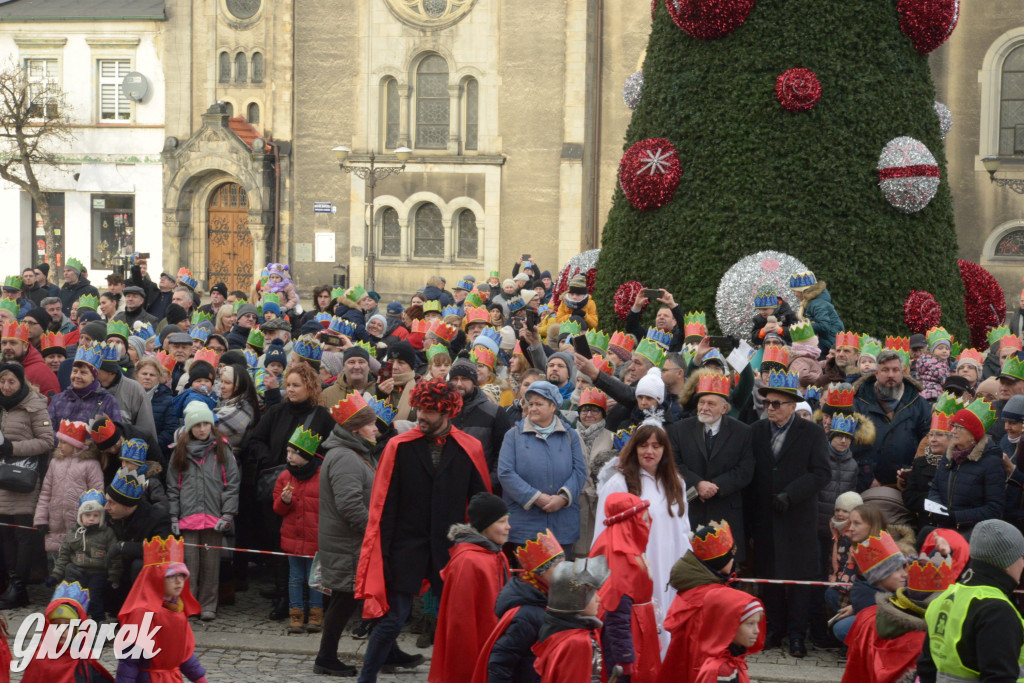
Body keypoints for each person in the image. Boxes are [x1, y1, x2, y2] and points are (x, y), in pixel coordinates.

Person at [355, 377, 490, 683]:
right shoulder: (399, 447)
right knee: (391, 620)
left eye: (429, 411)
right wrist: (383, 555)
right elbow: (383, 507)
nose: (421, 417)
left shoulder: (469, 448)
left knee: (455, 622)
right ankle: (367, 678)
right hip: (406, 546)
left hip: (451, 549)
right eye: (419, 409)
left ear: (447, 413)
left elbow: (482, 503)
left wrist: (481, 546)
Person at [747, 370, 830, 657]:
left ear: (792, 406)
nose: (770, 408)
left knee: (798, 580)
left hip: (797, 518)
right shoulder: (755, 431)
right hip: (765, 517)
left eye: (776, 404)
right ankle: (773, 629)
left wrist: (792, 494)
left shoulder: (812, 433)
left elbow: (822, 473)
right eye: (767, 403)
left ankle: (796, 634)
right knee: (768, 577)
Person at [594, 423, 690, 653]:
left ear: (665, 450)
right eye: (644, 445)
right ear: (634, 448)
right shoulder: (620, 483)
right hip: (635, 571)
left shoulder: (676, 482)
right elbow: (602, 530)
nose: (650, 451)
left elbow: (684, 529)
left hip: (671, 568)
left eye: (656, 446)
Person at [841, 529, 967, 683]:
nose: (905, 574)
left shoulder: (883, 598)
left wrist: (941, 553)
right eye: (898, 570)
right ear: (881, 576)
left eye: (905, 568)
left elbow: (920, 569)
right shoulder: (913, 635)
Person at [316, 391, 382, 676]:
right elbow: (350, 506)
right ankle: (326, 658)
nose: (376, 428)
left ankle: (386, 651)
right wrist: (374, 531)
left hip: (352, 542)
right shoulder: (346, 457)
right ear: (356, 429)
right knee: (344, 600)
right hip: (349, 544)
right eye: (371, 424)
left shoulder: (357, 452)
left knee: (370, 595)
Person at [917, 519, 1024, 683]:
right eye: (1021, 556)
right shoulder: (996, 610)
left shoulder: (945, 597)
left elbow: (926, 669)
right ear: (1007, 562)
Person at [667, 372, 753, 561]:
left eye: (711, 404)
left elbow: (745, 470)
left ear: (724, 408)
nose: (704, 408)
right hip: (691, 511)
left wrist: (715, 486)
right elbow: (673, 463)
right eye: (701, 402)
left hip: (725, 514)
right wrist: (697, 484)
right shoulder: (680, 429)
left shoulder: (743, 432)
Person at [168, 401, 240, 621]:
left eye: (205, 424)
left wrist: (228, 513)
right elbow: (173, 486)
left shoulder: (222, 449)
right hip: (188, 517)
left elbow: (232, 483)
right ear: (190, 427)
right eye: (197, 425)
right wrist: (173, 515)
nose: (201, 429)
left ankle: (209, 603)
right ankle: (188, 603)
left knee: (211, 564)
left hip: (213, 515)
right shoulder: (179, 452)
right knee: (189, 565)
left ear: (211, 425)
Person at [429, 493, 511, 683]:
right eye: (502, 521)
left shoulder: (496, 554)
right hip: (476, 649)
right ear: (485, 525)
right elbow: (460, 623)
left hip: (493, 644)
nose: (508, 527)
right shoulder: (468, 561)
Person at [498, 380, 587, 554]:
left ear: (553, 406)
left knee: (559, 579)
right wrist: (537, 497)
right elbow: (506, 473)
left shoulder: (570, 436)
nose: (532, 408)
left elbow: (580, 471)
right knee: (527, 579)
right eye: (530, 404)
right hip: (525, 527)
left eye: (539, 404)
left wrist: (562, 498)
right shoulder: (514, 435)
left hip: (562, 526)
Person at [474, 529, 566, 683]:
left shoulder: (552, 599)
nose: (563, 571)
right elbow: (500, 663)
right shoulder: (526, 616)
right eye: (556, 566)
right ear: (539, 574)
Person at [115, 536, 209, 683]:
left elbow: (183, 653)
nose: (179, 581)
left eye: (181, 576)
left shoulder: (178, 609)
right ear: (155, 578)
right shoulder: (142, 614)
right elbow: (129, 660)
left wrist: (199, 679)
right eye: (171, 577)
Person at [0, 361, 55, 608]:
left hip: (23, 477)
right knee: (5, 535)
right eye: (2, 381)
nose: (6, 386)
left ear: (21, 382)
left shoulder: (34, 405)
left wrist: (13, 448)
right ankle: (11, 586)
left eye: (11, 381)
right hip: (1, 478)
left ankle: (19, 588)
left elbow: (46, 441)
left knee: (22, 534)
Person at [590, 493, 660, 683]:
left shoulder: (610, 544)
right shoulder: (622, 560)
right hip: (629, 641)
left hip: (631, 635)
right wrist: (625, 658)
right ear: (631, 523)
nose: (647, 525)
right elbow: (617, 617)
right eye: (643, 520)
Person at [658, 520, 739, 683]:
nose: (733, 561)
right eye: (731, 556)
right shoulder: (715, 597)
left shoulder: (691, 587)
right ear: (722, 561)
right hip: (708, 671)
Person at [853, 348, 931, 489]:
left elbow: (927, 444)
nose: (891, 375)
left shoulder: (919, 404)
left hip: (905, 485)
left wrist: (910, 475)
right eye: (885, 370)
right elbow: (851, 446)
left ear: (903, 372)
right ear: (876, 373)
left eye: (895, 370)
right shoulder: (858, 402)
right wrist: (866, 478)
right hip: (867, 485)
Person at [926, 397, 1005, 533]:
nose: (953, 431)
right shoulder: (949, 455)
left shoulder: (991, 462)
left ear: (973, 434)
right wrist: (938, 509)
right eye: (953, 426)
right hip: (945, 528)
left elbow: (994, 509)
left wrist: (956, 517)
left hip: (974, 533)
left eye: (959, 427)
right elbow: (935, 488)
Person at [273, 427, 324, 634]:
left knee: (316, 579)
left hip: (315, 539)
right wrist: (284, 502)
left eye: (293, 453)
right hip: (293, 538)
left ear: (305, 454)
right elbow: (277, 509)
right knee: (295, 578)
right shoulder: (285, 476)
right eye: (287, 452)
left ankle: (315, 614)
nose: (289, 457)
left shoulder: (322, 475)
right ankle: (296, 614)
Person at [104, 468, 173, 613]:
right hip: (115, 571)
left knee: (139, 565)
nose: (106, 507)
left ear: (128, 506)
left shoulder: (157, 518)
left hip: (145, 573)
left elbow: (162, 550)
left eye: (111, 503)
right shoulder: (108, 515)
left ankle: (143, 612)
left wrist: (123, 546)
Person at [530, 556, 610, 683]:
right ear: (575, 599)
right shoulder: (578, 642)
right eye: (592, 594)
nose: (598, 599)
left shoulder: (559, 631)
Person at [33, 419, 104, 557]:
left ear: (75, 444)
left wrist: (93, 521)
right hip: (54, 530)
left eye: (63, 442)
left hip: (80, 530)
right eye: (59, 441)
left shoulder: (91, 464)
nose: (59, 445)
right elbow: (45, 493)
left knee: (74, 570)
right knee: (55, 569)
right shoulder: (55, 462)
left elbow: (97, 496)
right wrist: (41, 519)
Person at [20, 580, 114, 682]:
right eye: (56, 625)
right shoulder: (39, 659)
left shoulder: (83, 659)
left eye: (68, 626)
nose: (61, 630)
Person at [50, 489, 121, 623]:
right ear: (80, 516)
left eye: (96, 515)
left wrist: (114, 577)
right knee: (75, 597)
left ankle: (99, 622)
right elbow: (64, 554)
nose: (91, 518)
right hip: (78, 571)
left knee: (94, 598)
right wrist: (56, 575)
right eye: (87, 515)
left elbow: (115, 556)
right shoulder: (74, 533)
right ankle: (75, 623)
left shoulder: (107, 533)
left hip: (98, 573)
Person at [450, 358, 514, 490]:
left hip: (482, 490)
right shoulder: (444, 412)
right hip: (450, 490)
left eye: (464, 379)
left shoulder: (494, 413)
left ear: (474, 382)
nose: (459, 384)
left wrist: (488, 484)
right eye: (455, 379)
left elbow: (503, 455)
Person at [904, 394, 962, 527]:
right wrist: (932, 501)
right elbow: (909, 497)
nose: (933, 440)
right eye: (931, 435)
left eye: (939, 435)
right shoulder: (920, 463)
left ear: (952, 438)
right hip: (926, 524)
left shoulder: (960, 463)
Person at [573, 388, 615, 556]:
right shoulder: (569, 435)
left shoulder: (613, 438)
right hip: (575, 503)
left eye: (594, 410)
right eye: (584, 410)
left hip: (600, 503)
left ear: (603, 414)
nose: (589, 414)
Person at [691, 589, 765, 683]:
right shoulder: (722, 670)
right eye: (750, 624)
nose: (757, 631)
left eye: (757, 623)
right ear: (730, 627)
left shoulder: (734, 660)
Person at [48, 346, 122, 430]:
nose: (77, 376)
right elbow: (48, 430)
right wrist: (64, 441)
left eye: (83, 372)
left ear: (94, 377)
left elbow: (115, 433)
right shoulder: (58, 399)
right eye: (75, 371)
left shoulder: (108, 401)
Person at [1, 320, 59, 400]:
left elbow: (52, 407)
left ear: (25, 346)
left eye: (13, 343)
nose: (7, 347)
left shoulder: (42, 373)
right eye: (4, 343)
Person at [789, 271, 844, 354]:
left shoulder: (817, 304)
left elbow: (824, 326)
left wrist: (803, 327)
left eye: (796, 291)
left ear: (804, 291)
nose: (794, 294)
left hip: (828, 343)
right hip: (824, 341)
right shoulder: (809, 303)